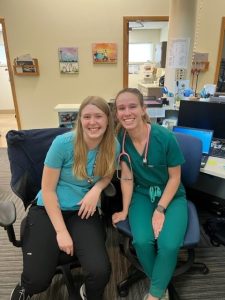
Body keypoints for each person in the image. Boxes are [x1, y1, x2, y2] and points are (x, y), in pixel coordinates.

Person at [11, 96, 120, 300]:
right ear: (79, 119)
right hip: (49, 208)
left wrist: (97, 189)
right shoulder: (63, 143)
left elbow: (107, 175)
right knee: (37, 280)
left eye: (98, 116)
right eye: (86, 116)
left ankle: (86, 294)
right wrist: (61, 232)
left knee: (100, 272)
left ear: (108, 119)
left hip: (82, 211)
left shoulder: (112, 144)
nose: (92, 122)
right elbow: (48, 189)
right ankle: (25, 286)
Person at [112, 88, 188, 300]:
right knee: (142, 241)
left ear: (144, 109)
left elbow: (175, 178)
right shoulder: (120, 138)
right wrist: (125, 210)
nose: (127, 112)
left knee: (169, 244)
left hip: (171, 196)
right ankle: (161, 282)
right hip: (143, 194)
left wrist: (160, 209)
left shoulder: (164, 137)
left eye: (132, 106)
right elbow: (127, 178)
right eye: (121, 108)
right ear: (116, 113)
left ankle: (155, 294)